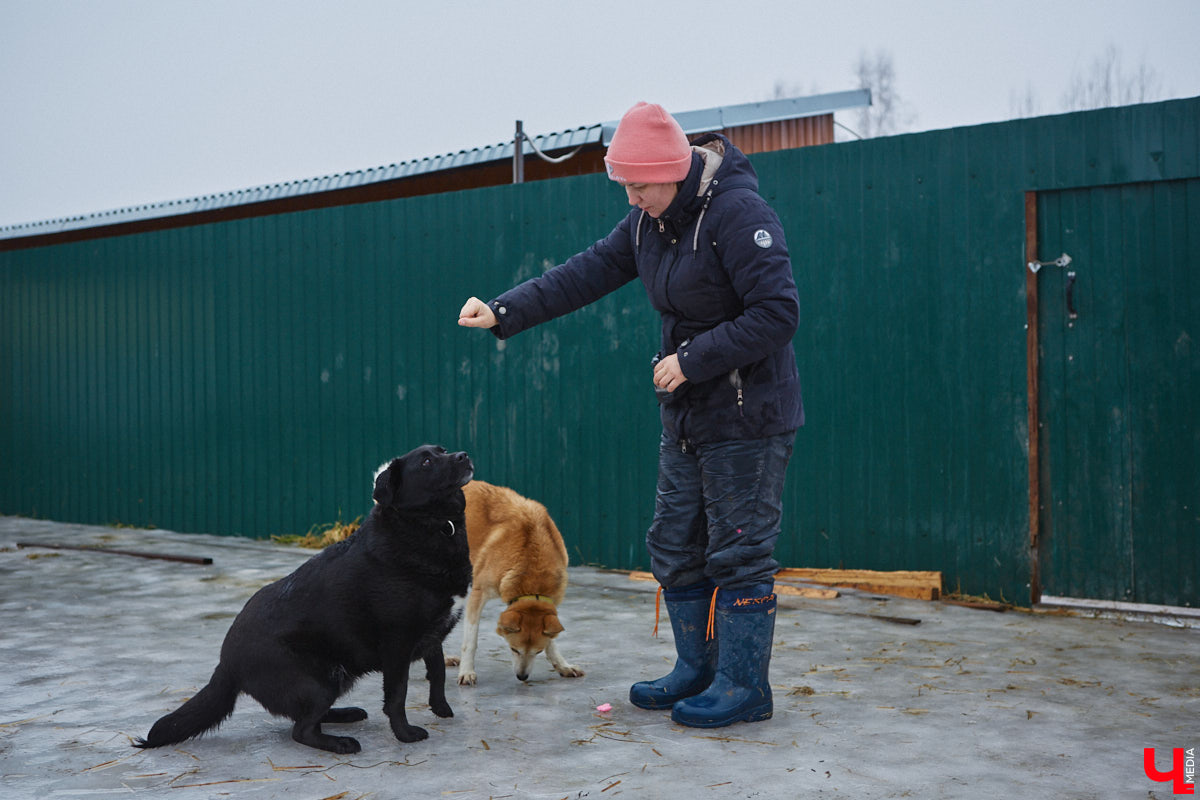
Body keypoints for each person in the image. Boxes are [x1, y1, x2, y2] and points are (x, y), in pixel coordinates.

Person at [458, 101, 803, 728]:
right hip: (688, 414)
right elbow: (585, 273)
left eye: (638, 185)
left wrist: (694, 357)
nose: (631, 198)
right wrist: (505, 310)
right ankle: (696, 671)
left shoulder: (738, 214)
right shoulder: (651, 221)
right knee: (672, 547)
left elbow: (778, 312)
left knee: (738, 553)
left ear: (672, 170)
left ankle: (745, 687)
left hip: (748, 415)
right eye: (625, 186)